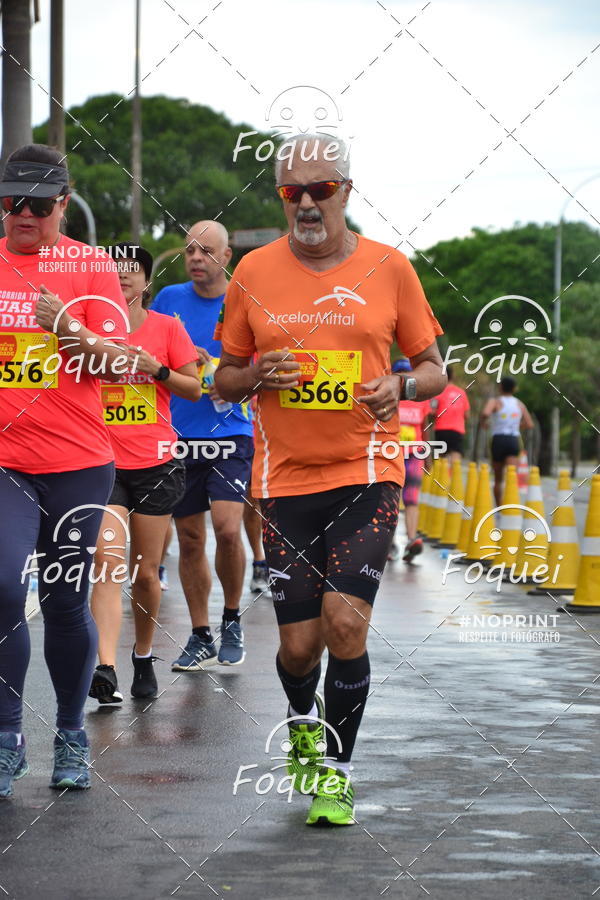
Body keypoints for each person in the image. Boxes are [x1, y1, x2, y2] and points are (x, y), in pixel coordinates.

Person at [216, 135, 446, 825]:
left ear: (347, 191)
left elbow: (435, 368)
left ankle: (337, 773)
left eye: (321, 190)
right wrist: (257, 375)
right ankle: (302, 725)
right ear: (281, 197)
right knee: (297, 647)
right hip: (283, 482)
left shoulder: (389, 267)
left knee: (346, 625)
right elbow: (223, 378)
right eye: (293, 192)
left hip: (366, 473)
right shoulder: (252, 271)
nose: (307, 203)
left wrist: (401, 385)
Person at [0, 144, 129, 797]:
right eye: (10, 200)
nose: (23, 215)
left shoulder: (89, 265)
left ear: (64, 200)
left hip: (78, 464)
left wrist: (68, 331)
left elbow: (118, 363)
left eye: (39, 204)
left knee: (65, 601)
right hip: (5, 462)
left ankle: (72, 734)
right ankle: (6, 737)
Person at [89, 243, 201, 704]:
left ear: (146, 282)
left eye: (131, 271)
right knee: (107, 564)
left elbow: (194, 388)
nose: (122, 277)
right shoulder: (90, 332)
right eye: (114, 270)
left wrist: (157, 370)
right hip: (104, 462)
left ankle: (142, 654)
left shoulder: (167, 328)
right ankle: (106, 667)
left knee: (145, 574)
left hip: (156, 462)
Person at [152, 221, 254, 669]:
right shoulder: (168, 299)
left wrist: (233, 384)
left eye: (205, 251)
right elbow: (145, 347)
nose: (195, 257)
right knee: (190, 538)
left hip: (231, 432)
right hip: (177, 435)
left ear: (226, 256)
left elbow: (265, 371)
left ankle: (232, 617)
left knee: (229, 529)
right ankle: (200, 634)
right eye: (190, 250)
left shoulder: (245, 301)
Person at [388, 358, 430, 564]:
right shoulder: (390, 396)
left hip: (410, 453)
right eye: (401, 374)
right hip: (394, 453)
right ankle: (396, 541)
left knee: (407, 498)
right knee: (396, 498)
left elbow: (425, 429)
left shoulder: (418, 399)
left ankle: (408, 540)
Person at [481, 376, 534, 505]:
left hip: (498, 439)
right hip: (513, 440)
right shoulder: (519, 404)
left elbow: (485, 413)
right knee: (511, 477)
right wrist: (516, 425)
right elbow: (529, 424)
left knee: (498, 479)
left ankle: (499, 507)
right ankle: (510, 506)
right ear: (514, 389)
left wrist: (485, 423)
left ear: (500, 387)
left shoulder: (495, 401)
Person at [429, 364, 470, 461]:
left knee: (440, 458)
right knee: (456, 455)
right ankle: (454, 475)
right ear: (452, 375)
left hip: (441, 429)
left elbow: (432, 412)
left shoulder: (437, 392)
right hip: (457, 430)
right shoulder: (461, 393)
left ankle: (439, 476)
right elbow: (467, 415)